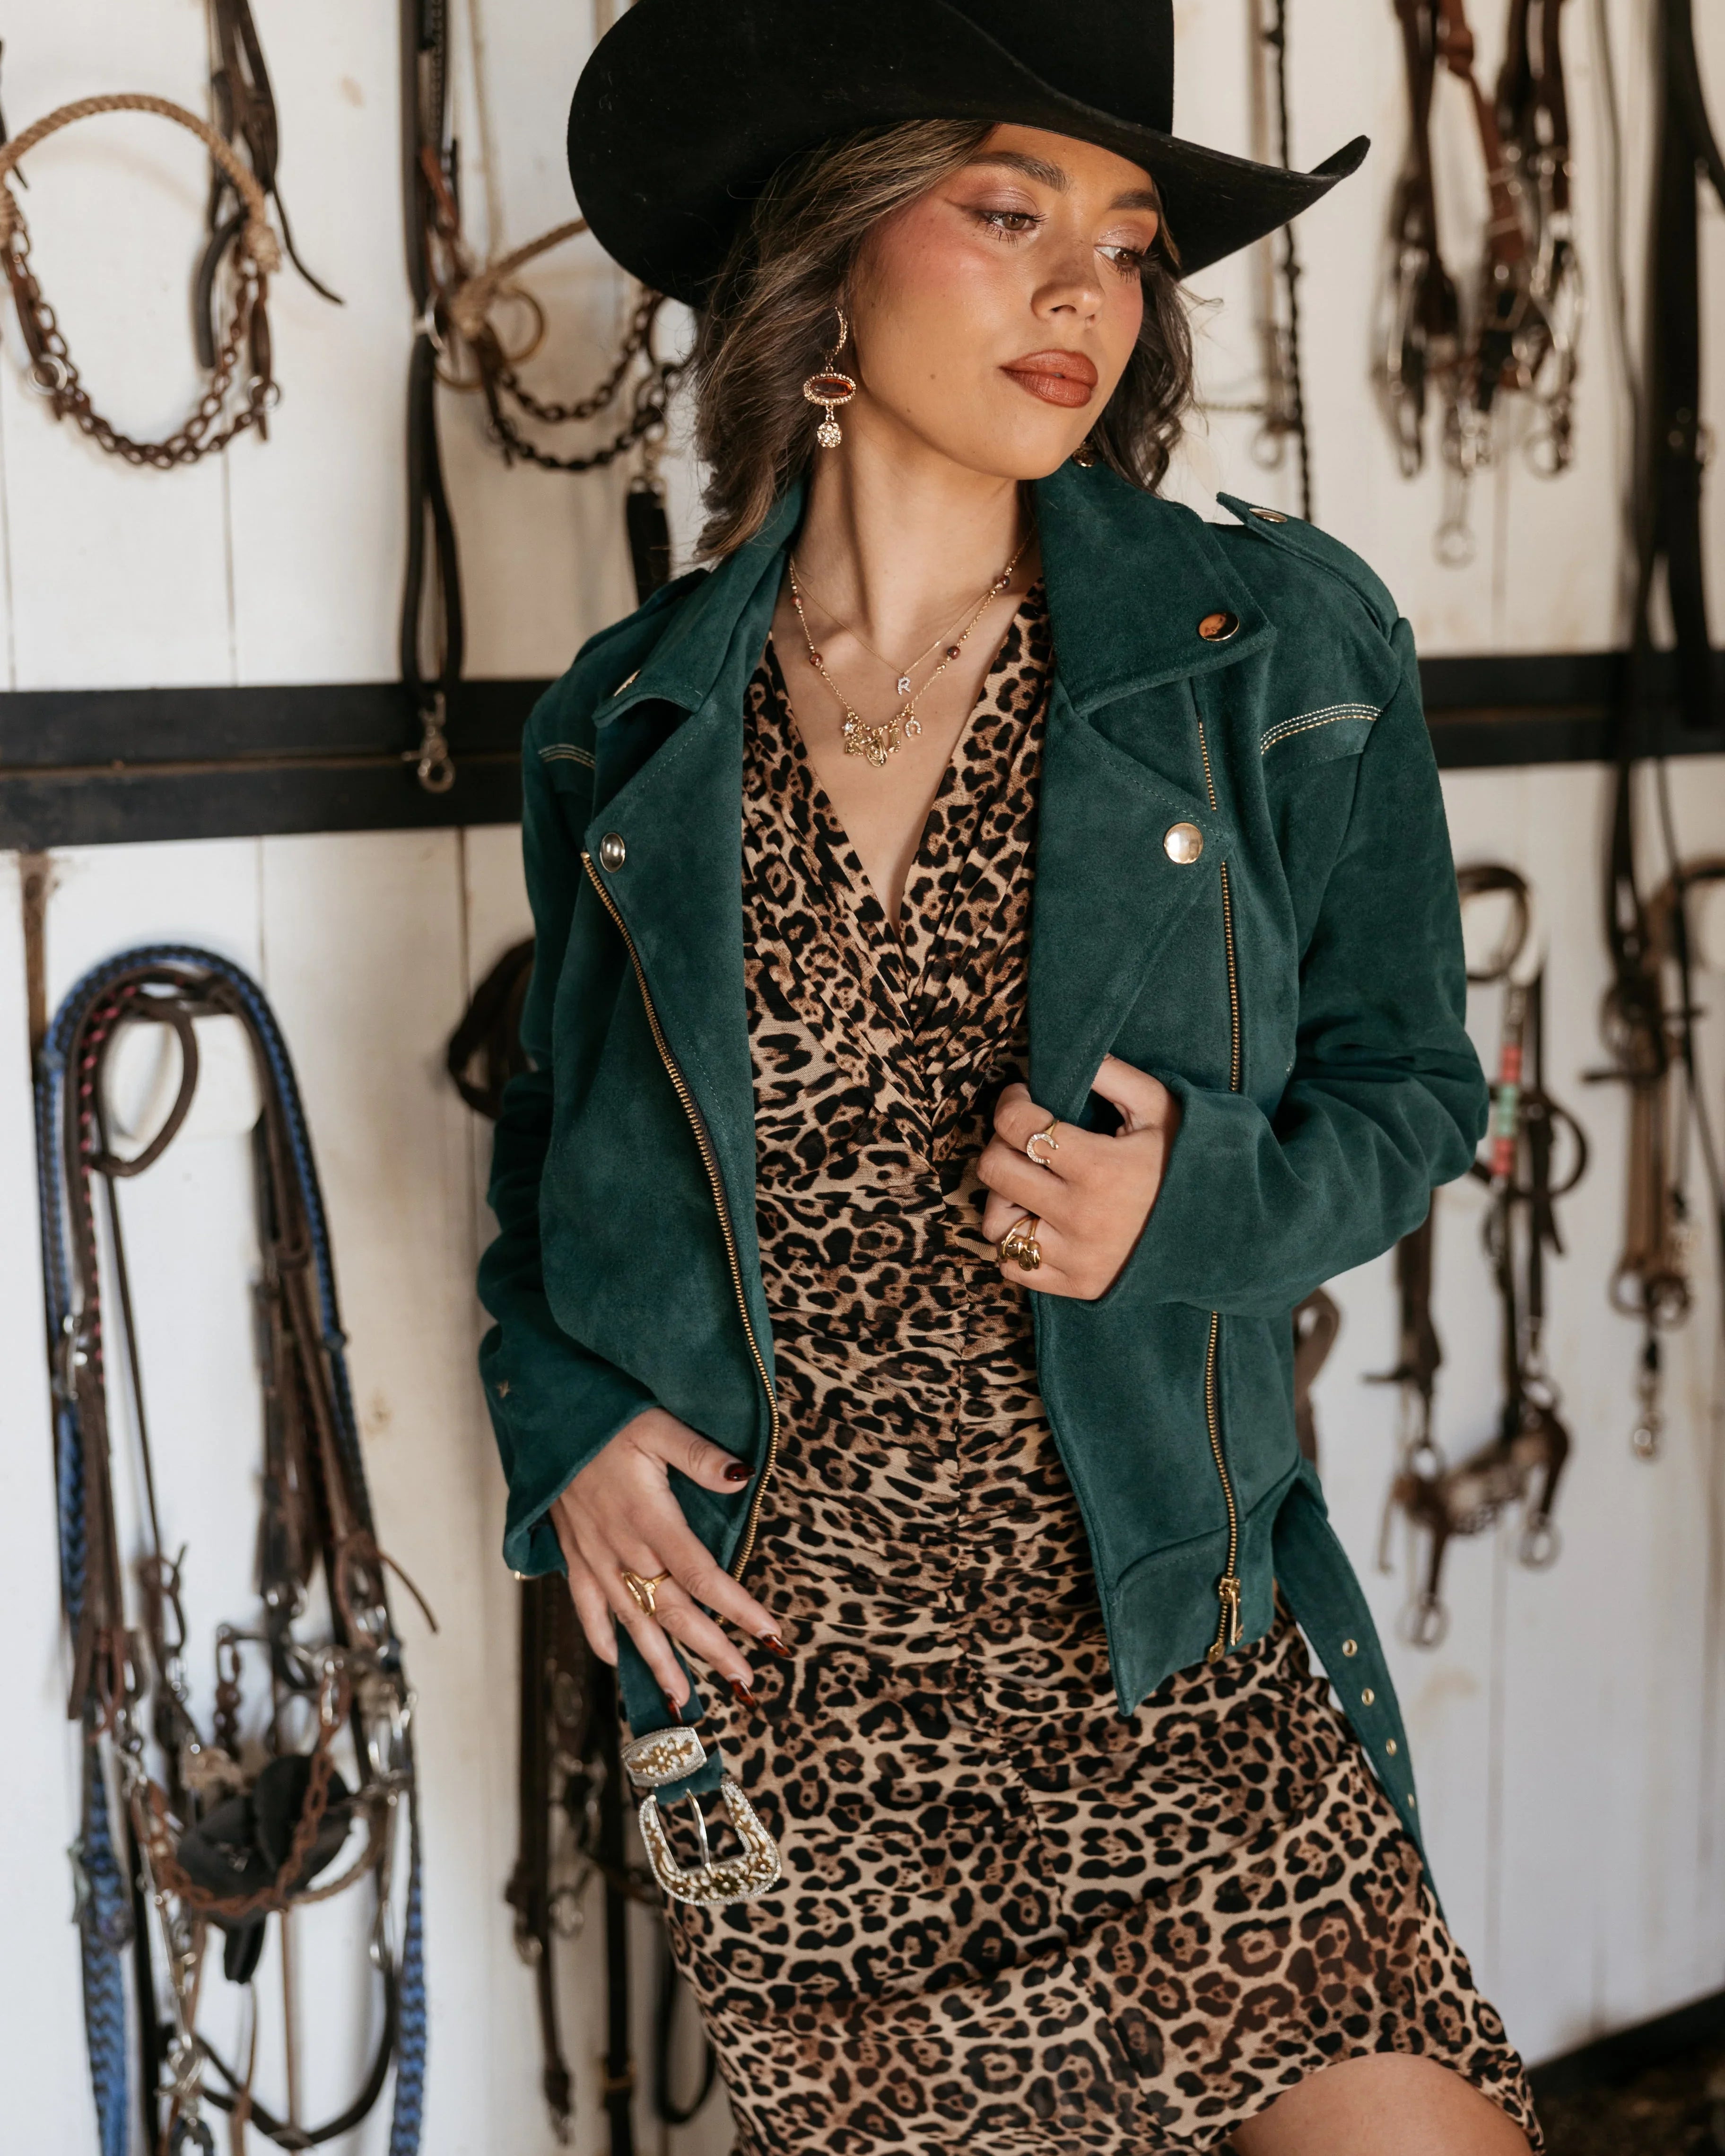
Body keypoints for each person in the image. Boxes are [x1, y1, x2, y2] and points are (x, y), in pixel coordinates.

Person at [479, 4, 1540, 2149]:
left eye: (1133, 240)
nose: (1089, 290)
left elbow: (1421, 1087)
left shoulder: (1273, 650)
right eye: (1008, 209)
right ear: (834, 259)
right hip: (809, 1736)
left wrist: (1198, 1206)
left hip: (1184, 1671)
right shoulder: (633, 725)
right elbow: (556, 1188)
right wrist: (569, 1424)